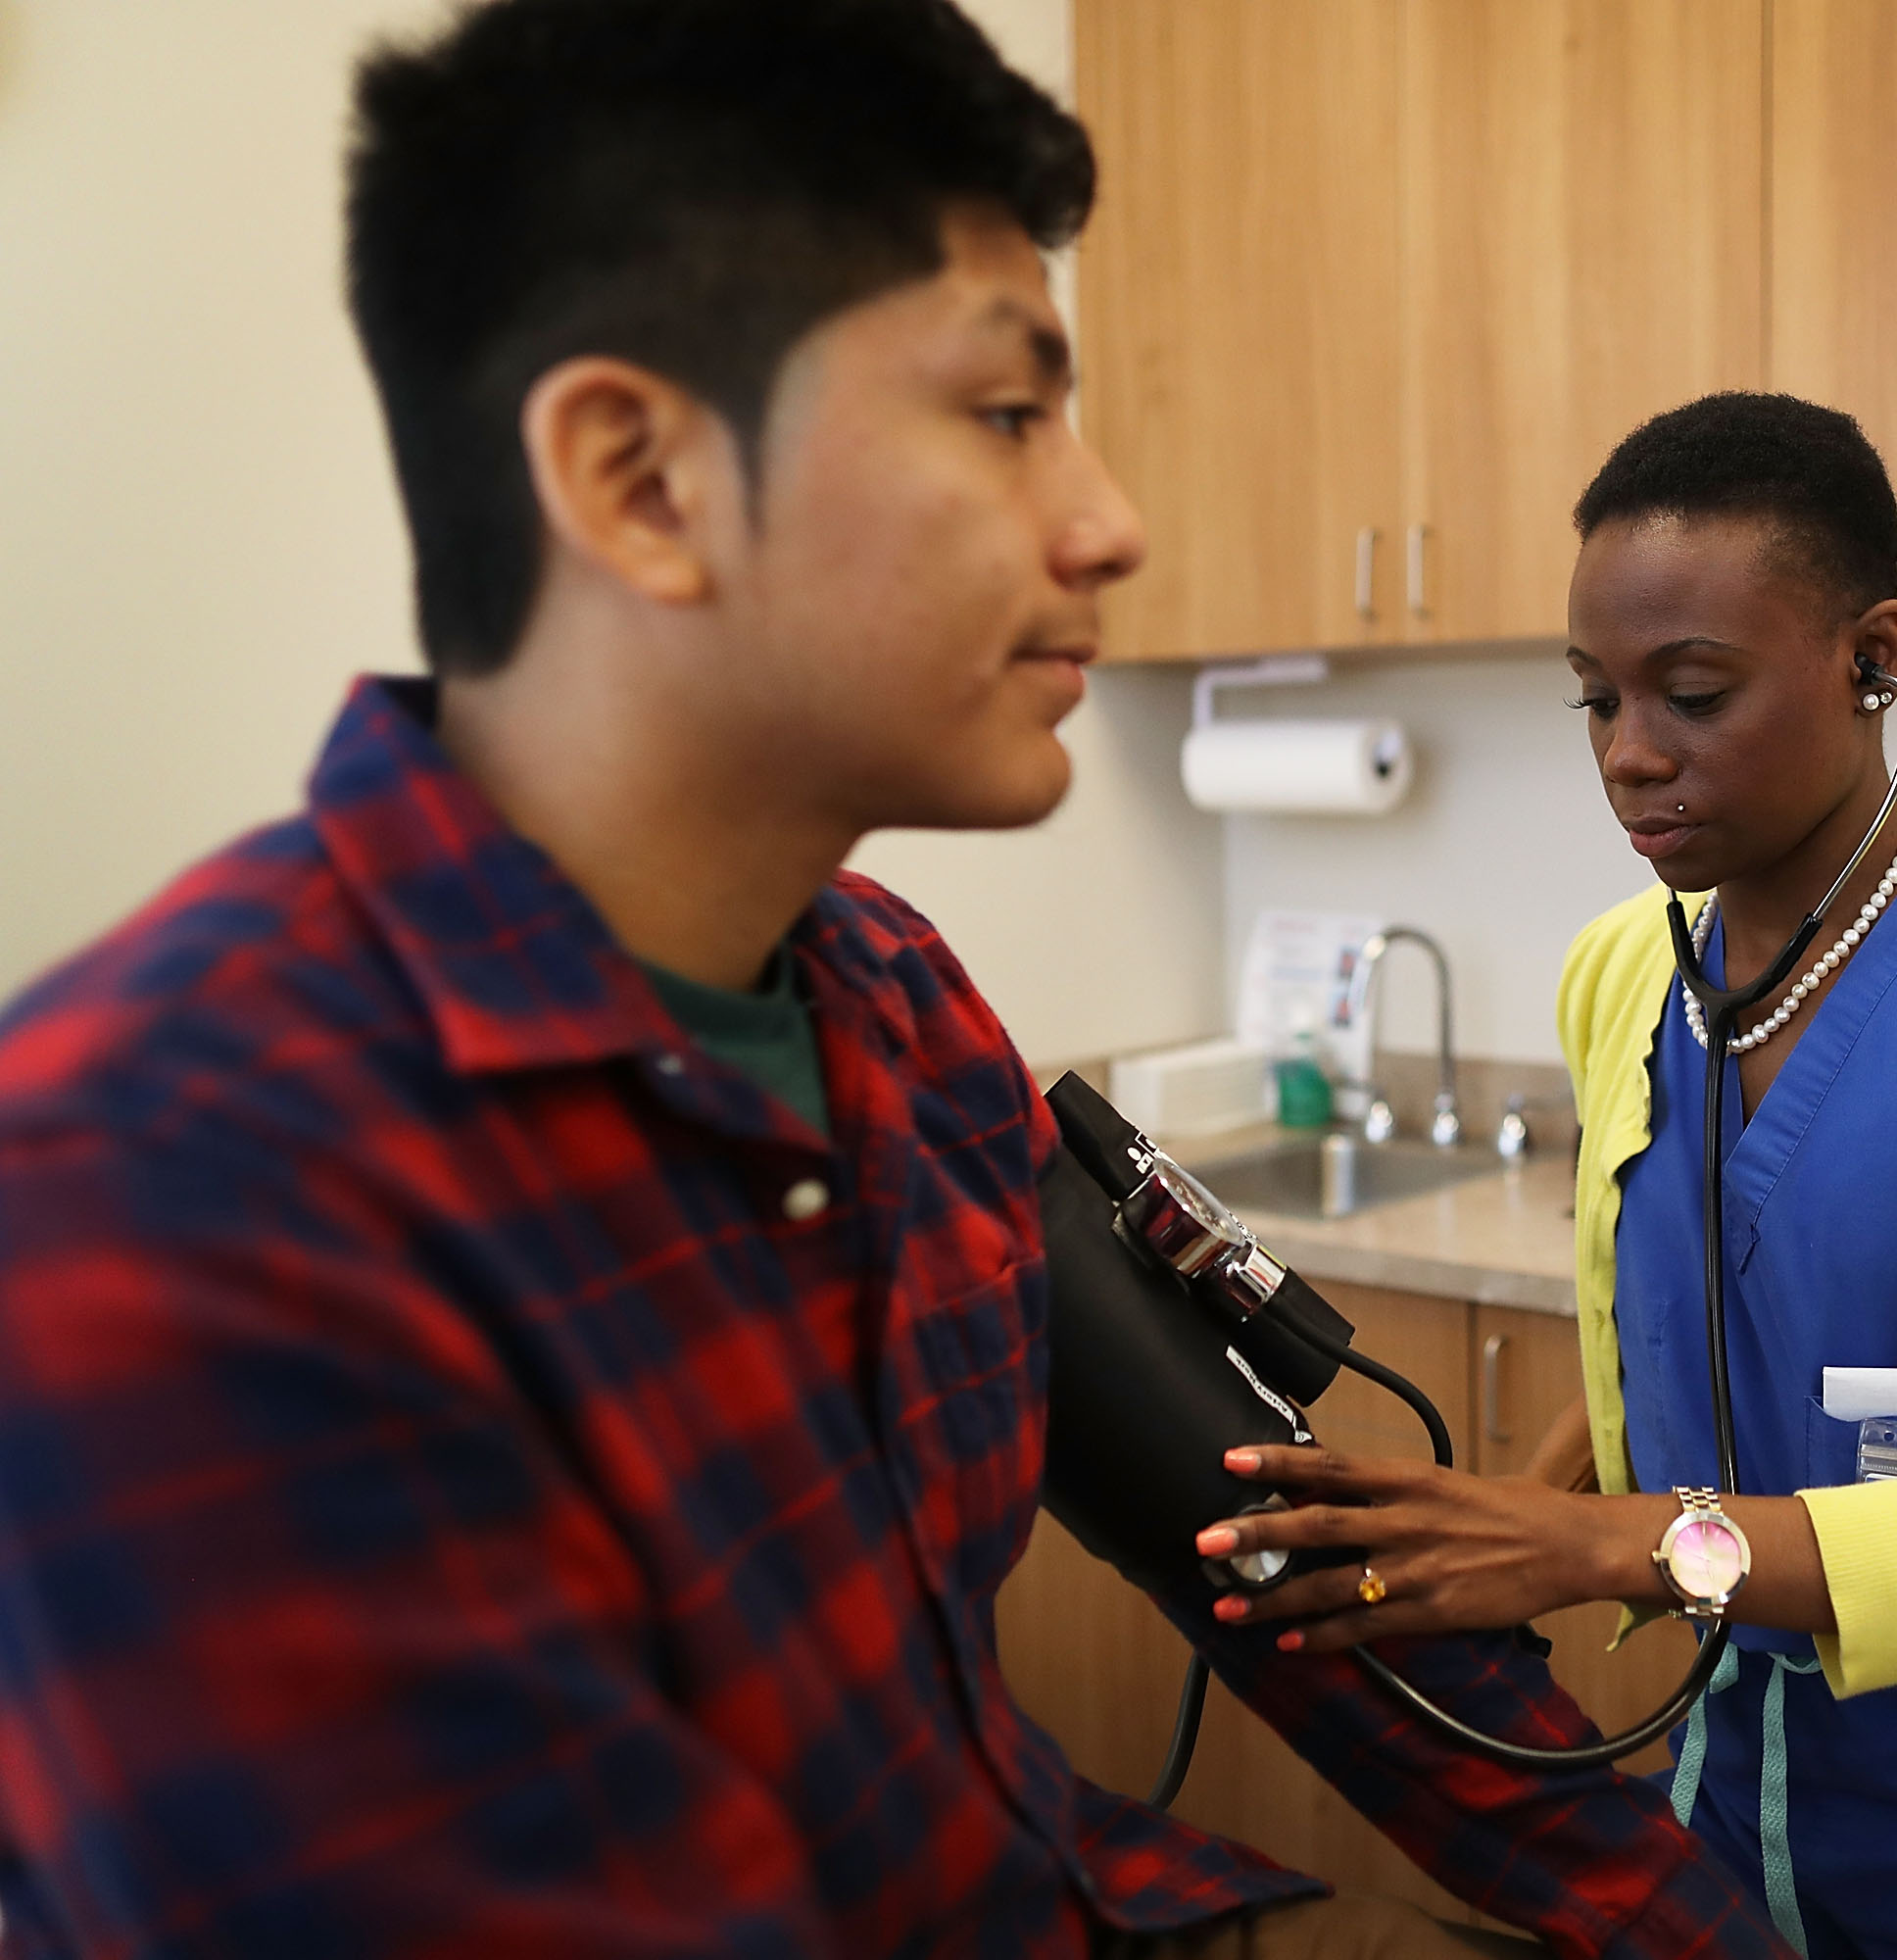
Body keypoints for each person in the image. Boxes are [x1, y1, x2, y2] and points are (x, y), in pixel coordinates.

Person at [0, 8, 1794, 1957]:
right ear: (639, 477)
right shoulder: (156, 1196)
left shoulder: (901, 1016)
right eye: (1009, 412)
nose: (1109, 521)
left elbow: (1299, 1582)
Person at [1197, 395, 1897, 1957]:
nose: (1632, 757)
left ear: (1874, 656)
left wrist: (1600, 1547)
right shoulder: (1618, 981)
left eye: (1694, 692)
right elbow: (1669, 1335)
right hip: (1740, 1790)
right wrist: (1514, 1518)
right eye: (1595, 701)